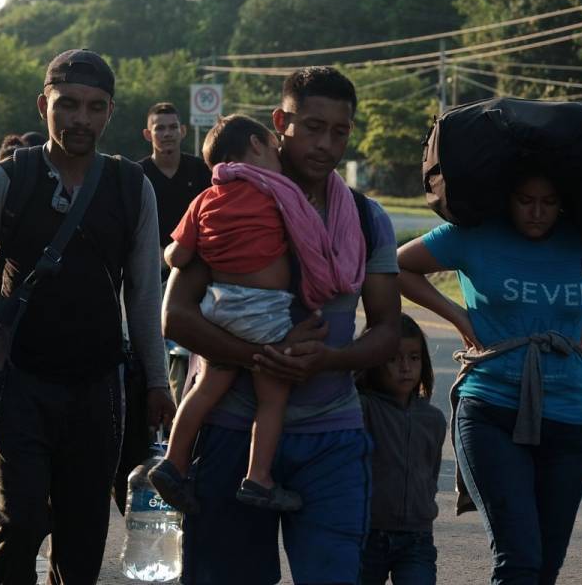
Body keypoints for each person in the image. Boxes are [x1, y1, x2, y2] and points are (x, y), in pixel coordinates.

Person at [0, 49, 174, 585]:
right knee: (21, 521)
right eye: (67, 105)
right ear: (44, 106)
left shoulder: (133, 188)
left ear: (110, 112)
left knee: (84, 533)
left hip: (100, 385)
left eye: (94, 107)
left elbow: (146, 295)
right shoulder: (8, 179)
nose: (80, 119)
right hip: (20, 381)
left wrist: (156, 380)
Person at [162, 66, 401, 585]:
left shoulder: (365, 217)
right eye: (312, 127)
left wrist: (330, 359)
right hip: (230, 428)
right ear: (279, 124)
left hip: (332, 437)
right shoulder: (228, 204)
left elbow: (387, 330)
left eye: (340, 131)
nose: (326, 144)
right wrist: (260, 357)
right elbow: (175, 317)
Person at [398, 169, 582, 584]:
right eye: (525, 200)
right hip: (490, 410)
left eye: (548, 202)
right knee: (519, 560)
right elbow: (400, 266)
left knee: (545, 566)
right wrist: (458, 316)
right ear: (504, 197)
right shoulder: (472, 234)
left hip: (569, 421)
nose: (537, 212)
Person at [151, 112, 366, 514]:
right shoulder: (276, 192)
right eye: (272, 144)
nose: (279, 156)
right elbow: (306, 236)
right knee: (273, 397)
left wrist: (182, 249)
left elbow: (178, 254)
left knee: (204, 390)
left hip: (220, 309)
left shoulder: (204, 198)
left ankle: (173, 463)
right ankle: (259, 478)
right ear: (255, 144)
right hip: (265, 313)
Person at [355, 313, 447, 585]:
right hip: (368, 535)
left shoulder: (433, 419)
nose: (405, 367)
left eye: (414, 357)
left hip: (416, 538)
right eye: (393, 359)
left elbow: (431, 474)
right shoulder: (363, 408)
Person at [139, 102, 211, 251]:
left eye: (173, 127)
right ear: (147, 134)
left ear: (183, 131)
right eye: (159, 128)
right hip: (151, 262)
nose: (167, 134)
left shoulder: (202, 170)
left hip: (196, 260)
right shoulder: (137, 175)